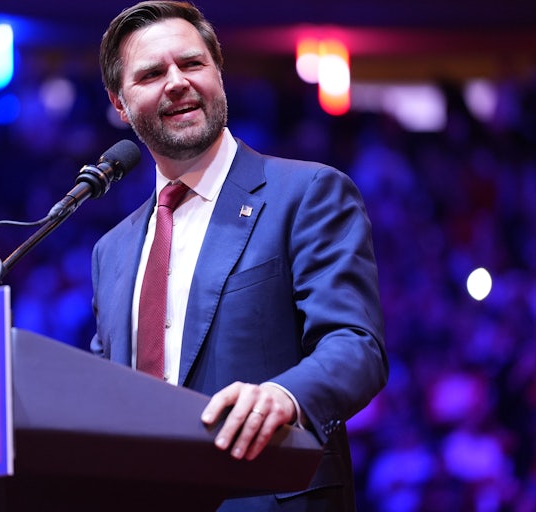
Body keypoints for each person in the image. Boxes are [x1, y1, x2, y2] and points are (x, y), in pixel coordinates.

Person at [90, 1, 388, 510]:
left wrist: (285, 396)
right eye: (152, 73)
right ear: (120, 103)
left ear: (218, 74)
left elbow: (356, 344)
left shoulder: (307, 193)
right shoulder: (112, 249)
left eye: (192, 63)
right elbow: (103, 392)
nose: (177, 81)